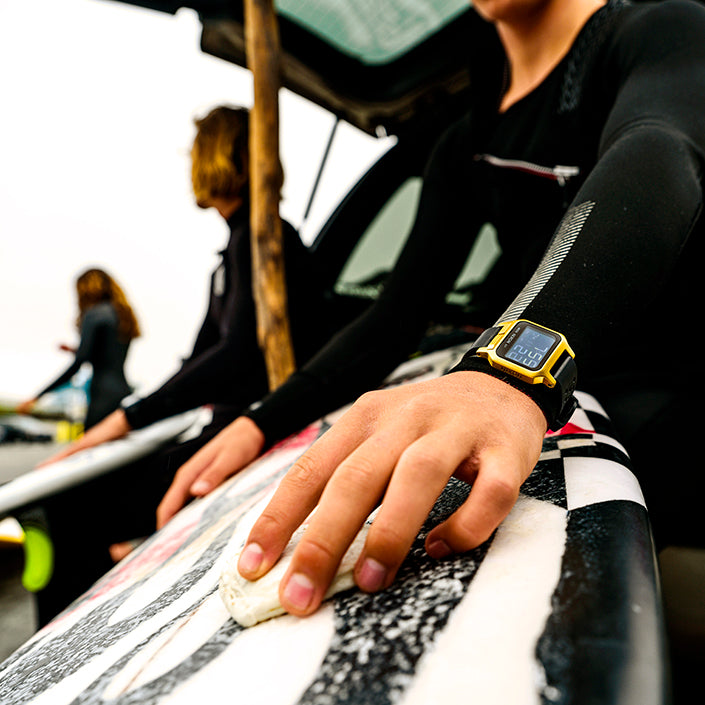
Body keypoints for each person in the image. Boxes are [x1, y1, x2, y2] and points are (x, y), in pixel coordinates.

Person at [154, 0, 705, 633]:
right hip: (547, 414)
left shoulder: (659, 33)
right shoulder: (469, 137)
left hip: (663, 396)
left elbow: (661, 145)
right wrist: (259, 424)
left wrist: (510, 374)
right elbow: (394, 319)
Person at [31, 105, 338, 625]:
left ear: (218, 157)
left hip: (251, 431)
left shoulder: (265, 241)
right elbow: (198, 362)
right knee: (80, 498)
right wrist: (121, 425)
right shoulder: (237, 249)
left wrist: (112, 427)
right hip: (223, 424)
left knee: (73, 508)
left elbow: (235, 355)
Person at [18, 268, 140, 430]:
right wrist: (77, 350)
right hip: (123, 392)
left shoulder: (94, 314)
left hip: (101, 397)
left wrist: (38, 396)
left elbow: (78, 364)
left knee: (90, 450)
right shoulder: (122, 314)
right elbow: (106, 353)